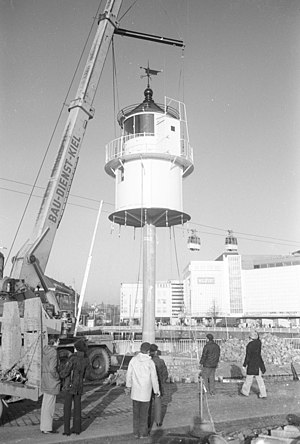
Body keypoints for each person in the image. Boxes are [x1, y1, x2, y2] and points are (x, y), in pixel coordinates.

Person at [125, 342, 160, 439]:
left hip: (135, 391)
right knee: (144, 414)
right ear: (148, 351)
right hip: (145, 392)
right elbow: (154, 378)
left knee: (136, 413)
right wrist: (156, 390)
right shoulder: (150, 362)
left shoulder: (133, 360)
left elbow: (129, 374)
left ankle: (136, 432)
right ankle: (143, 433)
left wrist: (128, 386)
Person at [59, 339, 89, 436]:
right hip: (79, 386)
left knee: (67, 408)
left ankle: (67, 430)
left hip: (70, 386)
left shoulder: (72, 358)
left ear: (76, 348)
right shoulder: (86, 359)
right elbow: (86, 374)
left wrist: (60, 373)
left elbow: (65, 373)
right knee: (78, 408)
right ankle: (77, 429)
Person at [40, 335, 60, 434]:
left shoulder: (45, 350)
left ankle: (43, 426)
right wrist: (57, 378)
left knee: (45, 404)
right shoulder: (54, 352)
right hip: (52, 381)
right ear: (55, 342)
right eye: (58, 340)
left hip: (45, 379)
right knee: (50, 405)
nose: (59, 342)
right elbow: (53, 369)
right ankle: (47, 428)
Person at [240, 331, 267, 398]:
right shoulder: (259, 343)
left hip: (251, 364)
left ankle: (245, 392)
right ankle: (263, 394)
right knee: (260, 380)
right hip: (258, 363)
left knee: (248, 379)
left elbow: (248, 356)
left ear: (250, 337)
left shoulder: (249, 345)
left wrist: (244, 364)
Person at [148, 343, 168, 428]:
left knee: (148, 404)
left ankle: (148, 422)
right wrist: (162, 382)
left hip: (148, 385)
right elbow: (165, 374)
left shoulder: (148, 361)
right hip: (158, 385)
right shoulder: (160, 361)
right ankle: (158, 421)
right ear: (156, 351)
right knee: (158, 404)